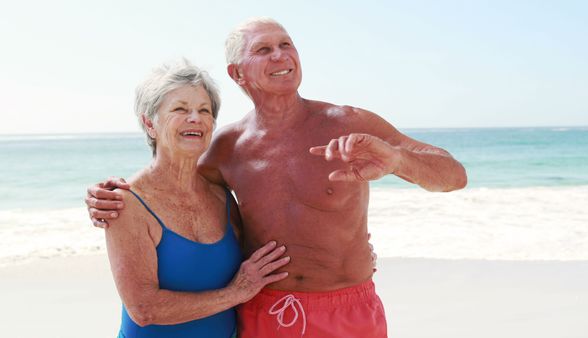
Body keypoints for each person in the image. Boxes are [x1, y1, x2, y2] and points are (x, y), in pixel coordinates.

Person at [87, 18, 467, 337]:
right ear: (237, 73)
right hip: (265, 310)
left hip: (347, 306)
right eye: (263, 49)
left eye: (286, 44)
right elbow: (174, 186)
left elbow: (454, 176)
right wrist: (108, 197)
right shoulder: (225, 148)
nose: (281, 55)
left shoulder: (349, 122)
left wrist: (397, 160)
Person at [105, 59, 290, 338]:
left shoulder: (222, 197)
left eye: (204, 110)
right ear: (149, 123)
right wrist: (235, 293)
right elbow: (144, 309)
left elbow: (262, 257)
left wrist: (351, 254)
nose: (196, 118)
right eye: (180, 109)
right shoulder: (126, 203)